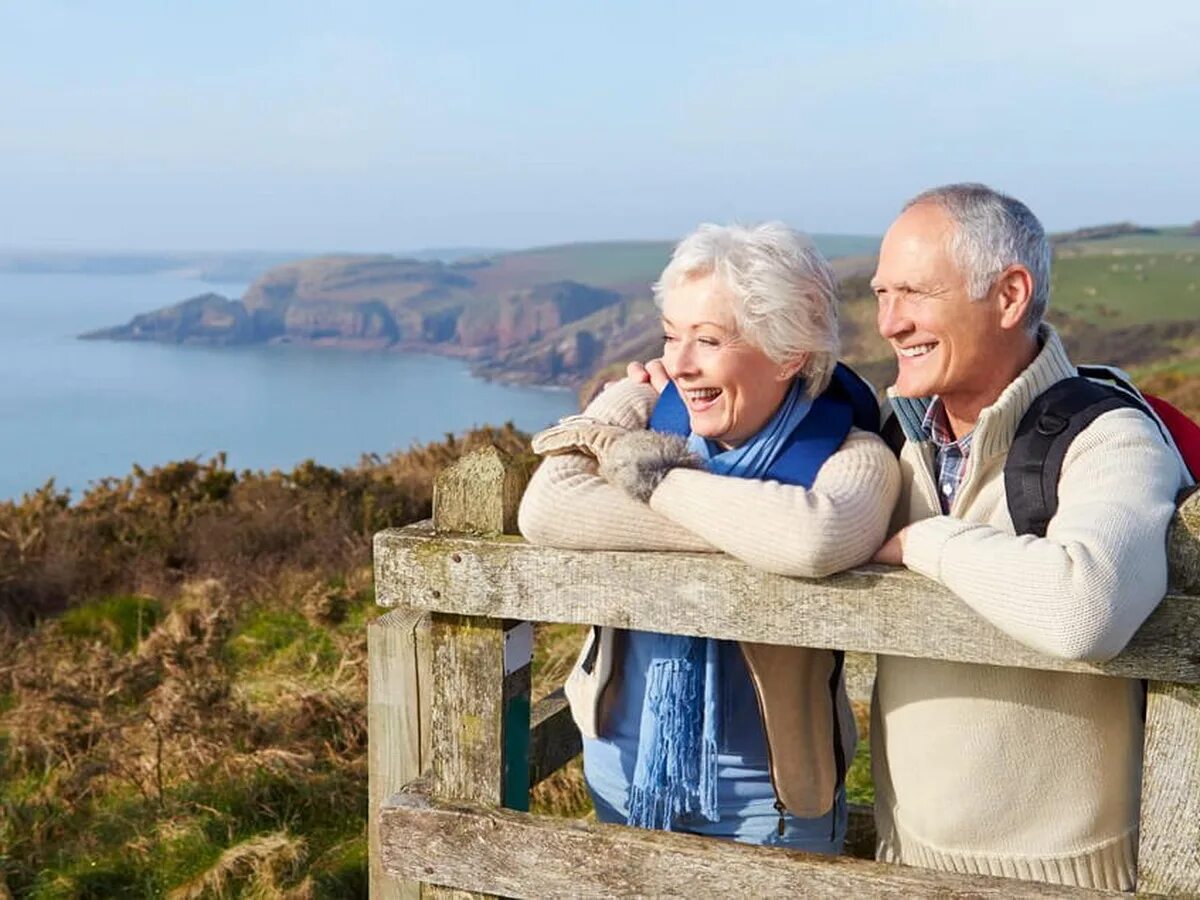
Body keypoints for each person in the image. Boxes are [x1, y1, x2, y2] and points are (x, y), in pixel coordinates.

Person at [518, 222, 900, 852]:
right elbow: (548, 508)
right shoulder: (652, 418)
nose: (681, 364)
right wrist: (625, 399)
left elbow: (812, 538)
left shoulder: (850, 455)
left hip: (770, 802)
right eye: (671, 337)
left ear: (789, 352)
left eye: (709, 340)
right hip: (623, 772)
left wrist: (645, 476)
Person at [867, 183, 1192, 890]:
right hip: (899, 856)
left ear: (1010, 296)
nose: (890, 323)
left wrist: (926, 541)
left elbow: (1088, 609)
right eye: (881, 294)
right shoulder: (895, 435)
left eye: (914, 293)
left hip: (1062, 875)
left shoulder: (1111, 435)